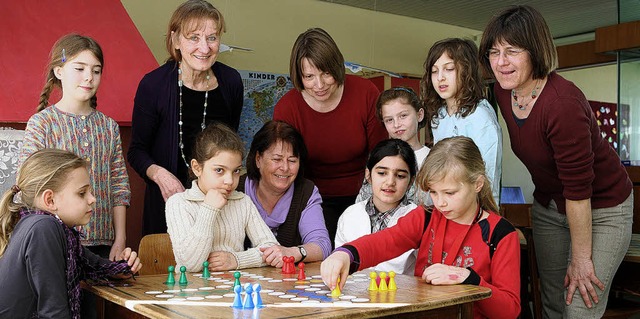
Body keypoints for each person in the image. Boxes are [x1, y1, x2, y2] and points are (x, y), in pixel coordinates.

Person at [479, 5, 633, 318]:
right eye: (494, 52)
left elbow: (578, 191)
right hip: (549, 205)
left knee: (578, 305)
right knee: (550, 303)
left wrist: (581, 257)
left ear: (536, 51)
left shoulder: (562, 105)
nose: (501, 62)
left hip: (601, 208)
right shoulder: (502, 92)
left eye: (512, 51)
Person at [321, 136, 520, 319]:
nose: (440, 202)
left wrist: (469, 278)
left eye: (449, 193)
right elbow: (386, 241)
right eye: (433, 192)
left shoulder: (501, 233)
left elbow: (509, 310)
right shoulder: (426, 216)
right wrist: (346, 254)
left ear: (477, 184)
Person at [128, 0, 243, 235]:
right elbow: (136, 151)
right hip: (168, 207)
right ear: (176, 40)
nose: (205, 47)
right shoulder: (153, 85)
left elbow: (231, 149)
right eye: (194, 38)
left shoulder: (231, 83)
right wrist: (160, 175)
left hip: (219, 209)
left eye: (212, 38)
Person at [19, 34, 130, 261]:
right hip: (54, 242)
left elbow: (119, 187)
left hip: (103, 244)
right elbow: (30, 187)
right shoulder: (42, 123)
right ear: (59, 72)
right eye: (79, 68)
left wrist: (120, 239)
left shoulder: (108, 127)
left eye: (96, 71)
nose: (89, 77)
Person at [273, 28, 387, 245]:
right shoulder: (287, 108)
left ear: (337, 65)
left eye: (326, 73)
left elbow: (381, 154)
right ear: (299, 76)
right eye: (309, 77)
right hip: (312, 199)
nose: (319, 85)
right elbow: (285, 166)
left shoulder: (365, 92)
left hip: (365, 195)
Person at [0, 149, 141, 319]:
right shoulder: (43, 228)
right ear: (50, 200)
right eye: (82, 193)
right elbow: (54, 312)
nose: (92, 199)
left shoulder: (58, 232)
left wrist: (125, 266)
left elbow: (97, 266)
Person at [166, 123, 279, 272]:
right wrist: (209, 209)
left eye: (236, 171)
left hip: (234, 288)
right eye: (219, 170)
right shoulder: (179, 203)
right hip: (193, 291)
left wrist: (237, 260)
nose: (230, 181)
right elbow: (189, 265)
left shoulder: (242, 201)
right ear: (197, 168)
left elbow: (273, 250)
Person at [238, 120, 331, 267]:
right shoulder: (236, 189)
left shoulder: (305, 192)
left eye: (292, 160)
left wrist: (293, 252)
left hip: (288, 286)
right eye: (277, 159)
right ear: (258, 159)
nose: (285, 168)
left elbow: (322, 245)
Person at [421, 38, 502, 205]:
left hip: (475, 209)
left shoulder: (480, 115)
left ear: (466, 71)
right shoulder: (440, 115)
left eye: (449, 69)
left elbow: (488, 174)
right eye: (434, 71)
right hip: (444, 206)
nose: (440, 78)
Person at [337, 139, 418, 275]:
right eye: (382, 173)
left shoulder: (416, 218)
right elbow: (340, 263)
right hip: (354, 294)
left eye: (400, 176)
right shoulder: (350, 215)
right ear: (368, 175)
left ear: (411, 181)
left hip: (402, 294)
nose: (390, 182)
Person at [356, 87, 430, 204]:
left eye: (403, 116)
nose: (396, 124)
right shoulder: (379, 156)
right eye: (389, 120)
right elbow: (363, 201)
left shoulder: (432, 158)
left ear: (419, 115)